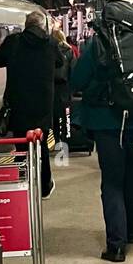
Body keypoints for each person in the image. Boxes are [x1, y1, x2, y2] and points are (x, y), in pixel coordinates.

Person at [71, 0, 133, 262]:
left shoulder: (99, 43)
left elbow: (77, 79)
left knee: (113, 181)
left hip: (107, 123)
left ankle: (116, 246)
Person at [0, 10, 56, 198]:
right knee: (40, 144)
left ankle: (25, 182)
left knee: (21, 146)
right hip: (43, 103)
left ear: (26, 25)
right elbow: (59, 62)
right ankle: (44, 186)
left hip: (18, 103)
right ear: (44, 26)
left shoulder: (14, 42)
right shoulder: (50, 43)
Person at [51, 23, 75, 163]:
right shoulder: (69, 50)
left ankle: (55, 140)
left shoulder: (49, 50)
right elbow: (73, 69)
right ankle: (66, 142)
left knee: (53, 115)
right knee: (66, 115)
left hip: (52, 86)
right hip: (65, 87)